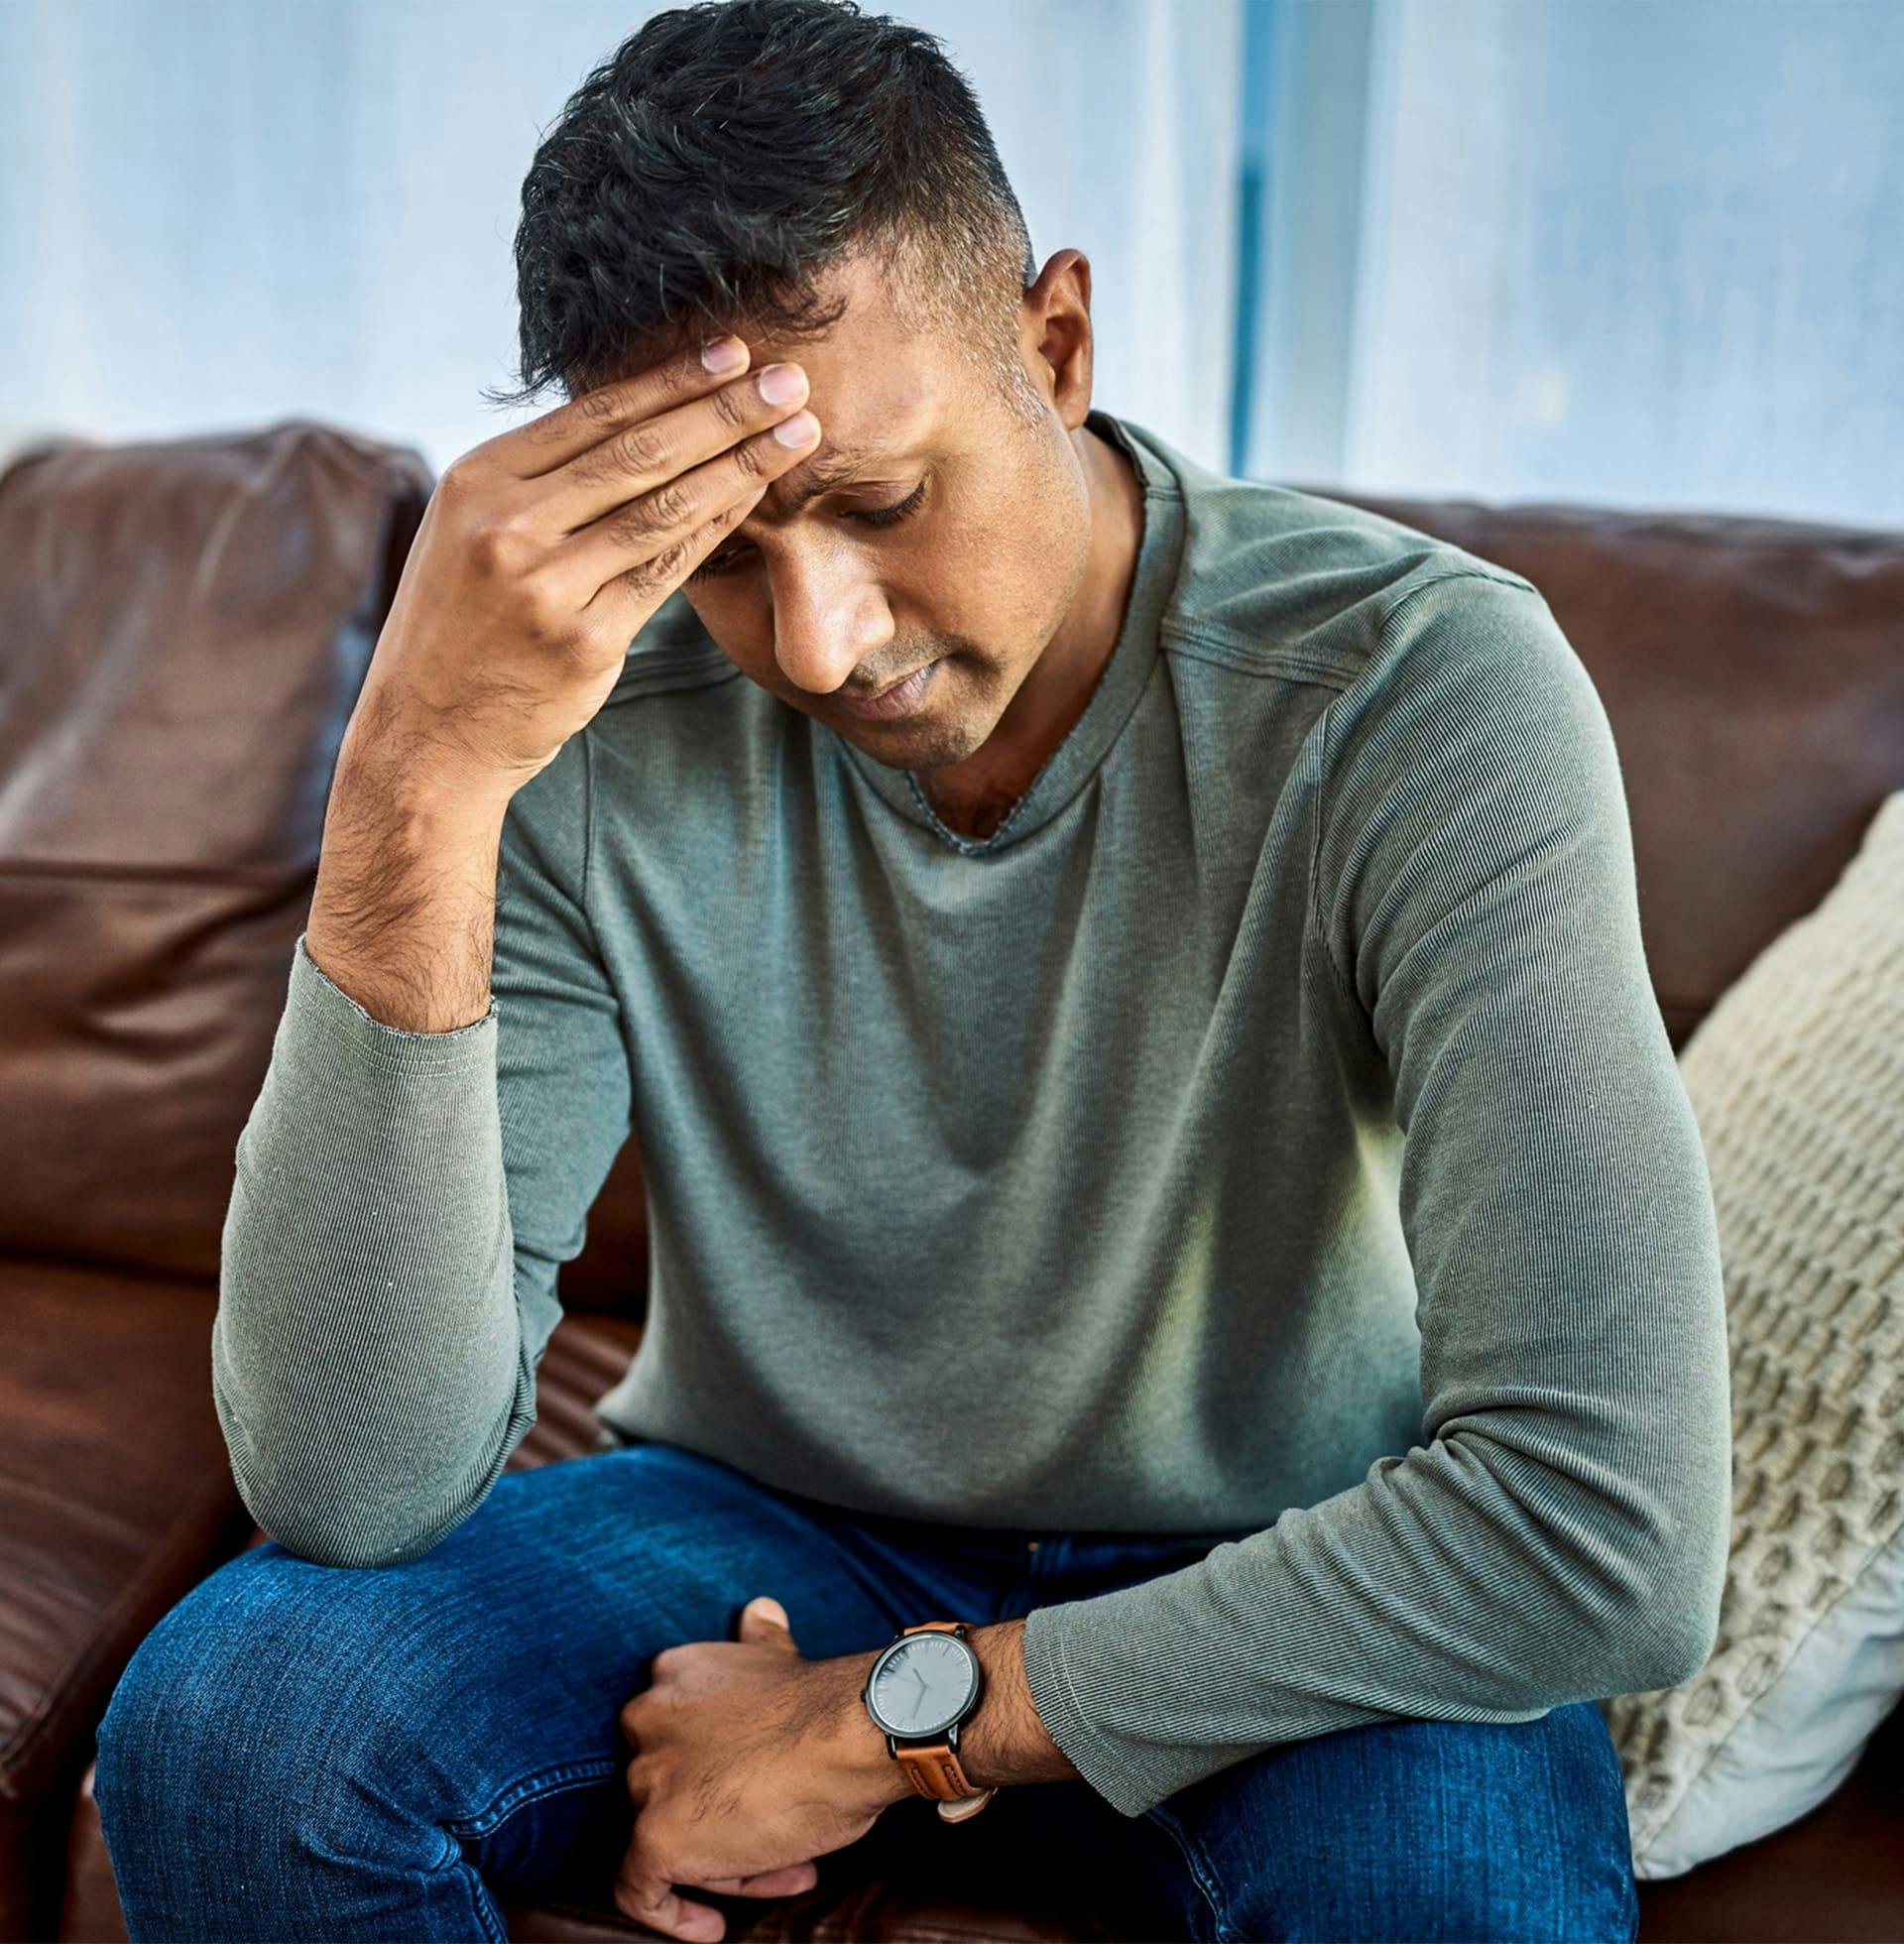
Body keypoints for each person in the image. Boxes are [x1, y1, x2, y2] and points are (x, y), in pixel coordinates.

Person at [92, 1, 1729, 1938]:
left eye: (878, 502)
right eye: (719, 548)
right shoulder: (573, 722)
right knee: (238, 1726)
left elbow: (1606, 1528)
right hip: (763, 1522)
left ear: (1058, 345)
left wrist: (887, 1721)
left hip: (1290, 1563)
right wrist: (414, 780)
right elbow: (350, 1485)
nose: (817, 641)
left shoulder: (1412, 688)